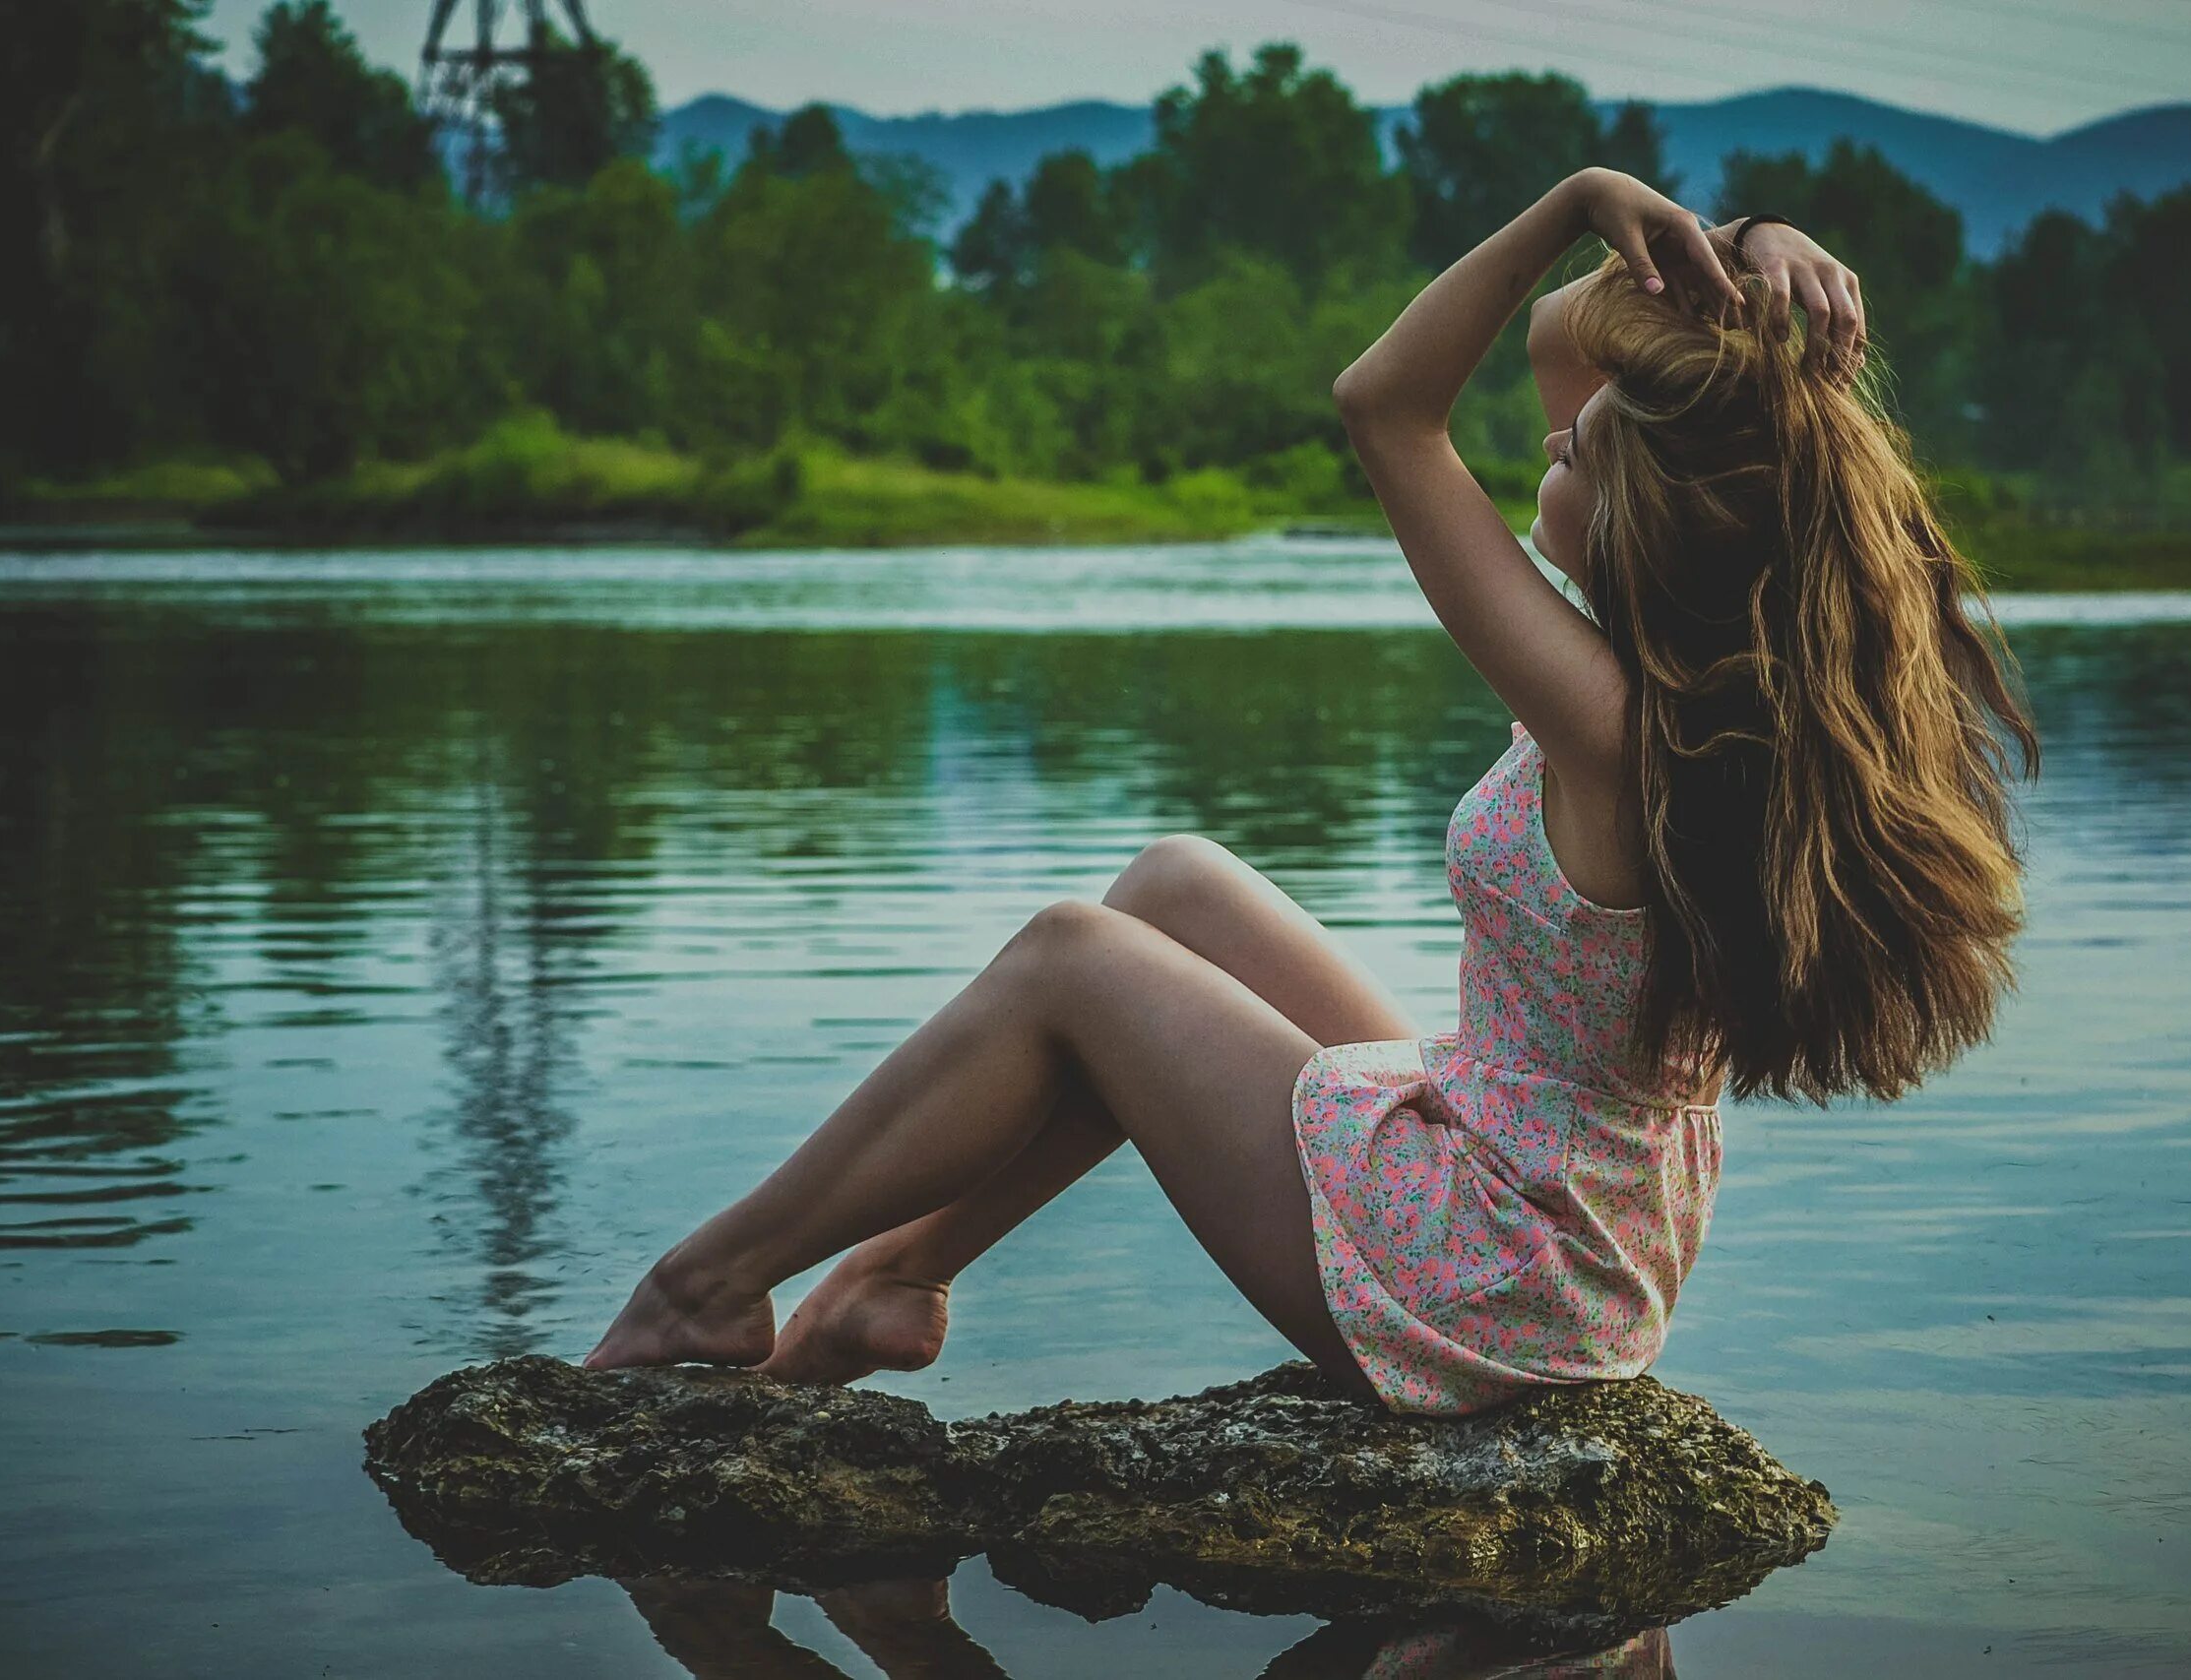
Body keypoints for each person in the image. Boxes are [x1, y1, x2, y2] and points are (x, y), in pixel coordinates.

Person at [584, 168, 2039, 1415]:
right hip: (1560, 1214)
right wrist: (1742, 240)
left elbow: (1386, 404)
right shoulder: (1698, 703)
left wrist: (1572, 203)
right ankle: (886, 1282)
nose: (1552, 432)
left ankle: (705, 1286)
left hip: (1497, 1277)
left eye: (1580, 447)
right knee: (1172, 889)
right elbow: (1565, 333)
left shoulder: (1605, 721)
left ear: (1645, 524)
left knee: (1070, 962)